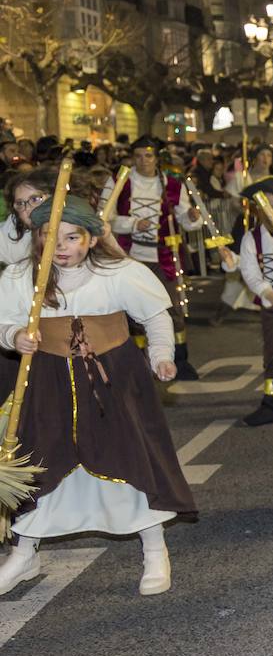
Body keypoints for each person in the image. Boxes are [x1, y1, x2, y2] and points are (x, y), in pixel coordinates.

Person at [0, 196, 194, 597]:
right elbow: (3, 320)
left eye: (73, 237)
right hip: (49, 382)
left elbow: (156, 316)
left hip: (114, 379)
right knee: (38, 459)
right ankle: (24, 552)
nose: (62, 248)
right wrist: (15, 336)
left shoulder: (119, 272)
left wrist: (161, 356)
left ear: (90, 238)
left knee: (132, 455)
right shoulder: (23, 277)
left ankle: (155, 548)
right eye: (51, 239)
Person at [104, 136, 203, 380]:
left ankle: (179, 359)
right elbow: (105, 218)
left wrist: (191, 216)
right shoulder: (118, 182)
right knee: (132, 311)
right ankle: (138, 361)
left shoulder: (172, 184)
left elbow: (186, 221)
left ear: (156, 157)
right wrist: (134, 223)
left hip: (165, 257)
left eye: (148, 155)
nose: (143, 161)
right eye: (138, 156)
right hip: (130, 255)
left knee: (173, 308)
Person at [237, 177, 273, 435]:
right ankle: (271, 403)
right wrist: (269, 294)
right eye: (266, 208)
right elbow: (249, 272)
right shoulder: (251, 239)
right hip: (272, 305)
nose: (272, 213)